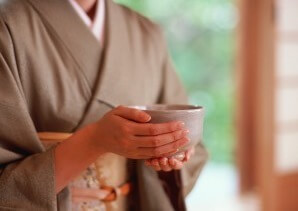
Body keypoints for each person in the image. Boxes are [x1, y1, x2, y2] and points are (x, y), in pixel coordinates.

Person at [0, 0, 208, 210]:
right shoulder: (8, 22)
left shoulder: (146, 32)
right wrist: (93, 141)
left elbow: (191, 143)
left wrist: (171, 150)